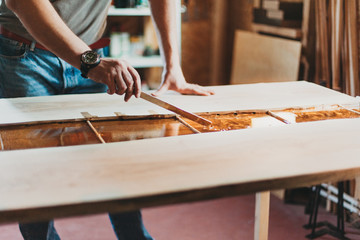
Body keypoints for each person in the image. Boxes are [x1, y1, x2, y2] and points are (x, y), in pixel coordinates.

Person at [0, 0, 214, 239]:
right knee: (34, 169)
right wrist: (89, 62)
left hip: (91, 52)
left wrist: (172, 66)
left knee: (112, 157)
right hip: (24, 54)